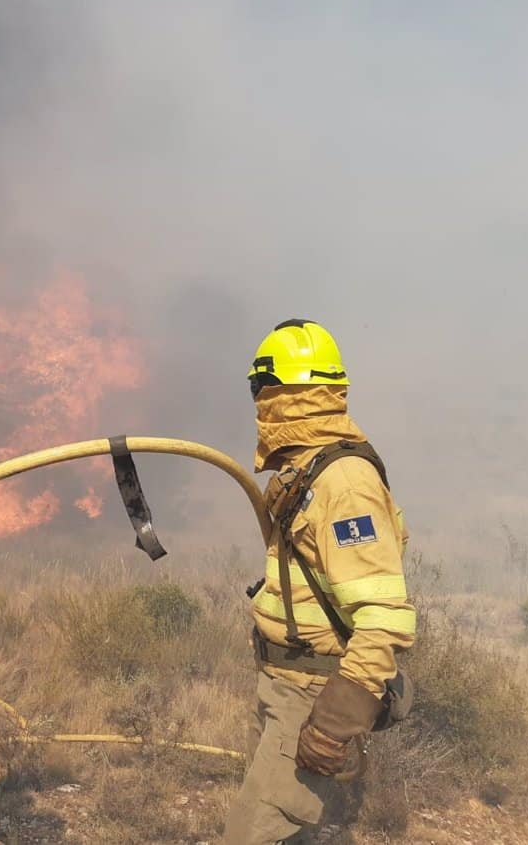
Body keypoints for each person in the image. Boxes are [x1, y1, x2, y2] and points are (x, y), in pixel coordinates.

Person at [222, 319, 416, 844]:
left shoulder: (344, 483)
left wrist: (334, 723)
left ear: (278, 393)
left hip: (312, 697)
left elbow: (383, 619)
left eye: (259, 389)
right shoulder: (306, 471)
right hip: (285, 686)